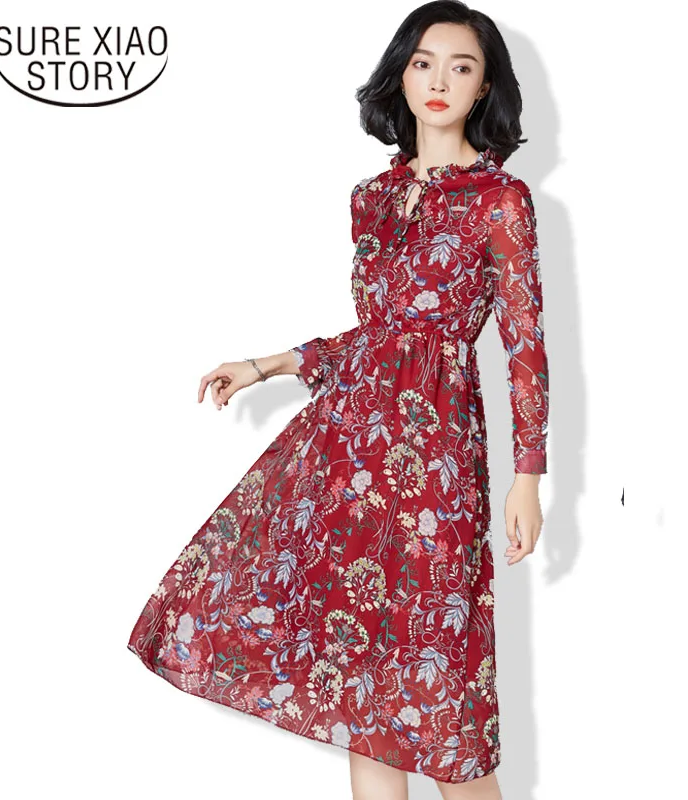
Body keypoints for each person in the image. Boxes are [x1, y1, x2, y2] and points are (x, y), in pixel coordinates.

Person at [127, 2, 548, 799]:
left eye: (461, 66)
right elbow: (378, 338)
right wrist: (269, 365)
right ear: (402, 75)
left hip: (437, 471)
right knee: (363, 696)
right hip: (350, 461)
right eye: (424, 62)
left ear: (484, 87)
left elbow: (526, 349)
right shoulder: (370, 197)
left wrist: (528, 477)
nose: (440, 80)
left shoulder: (501, 201)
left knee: (446, 706)